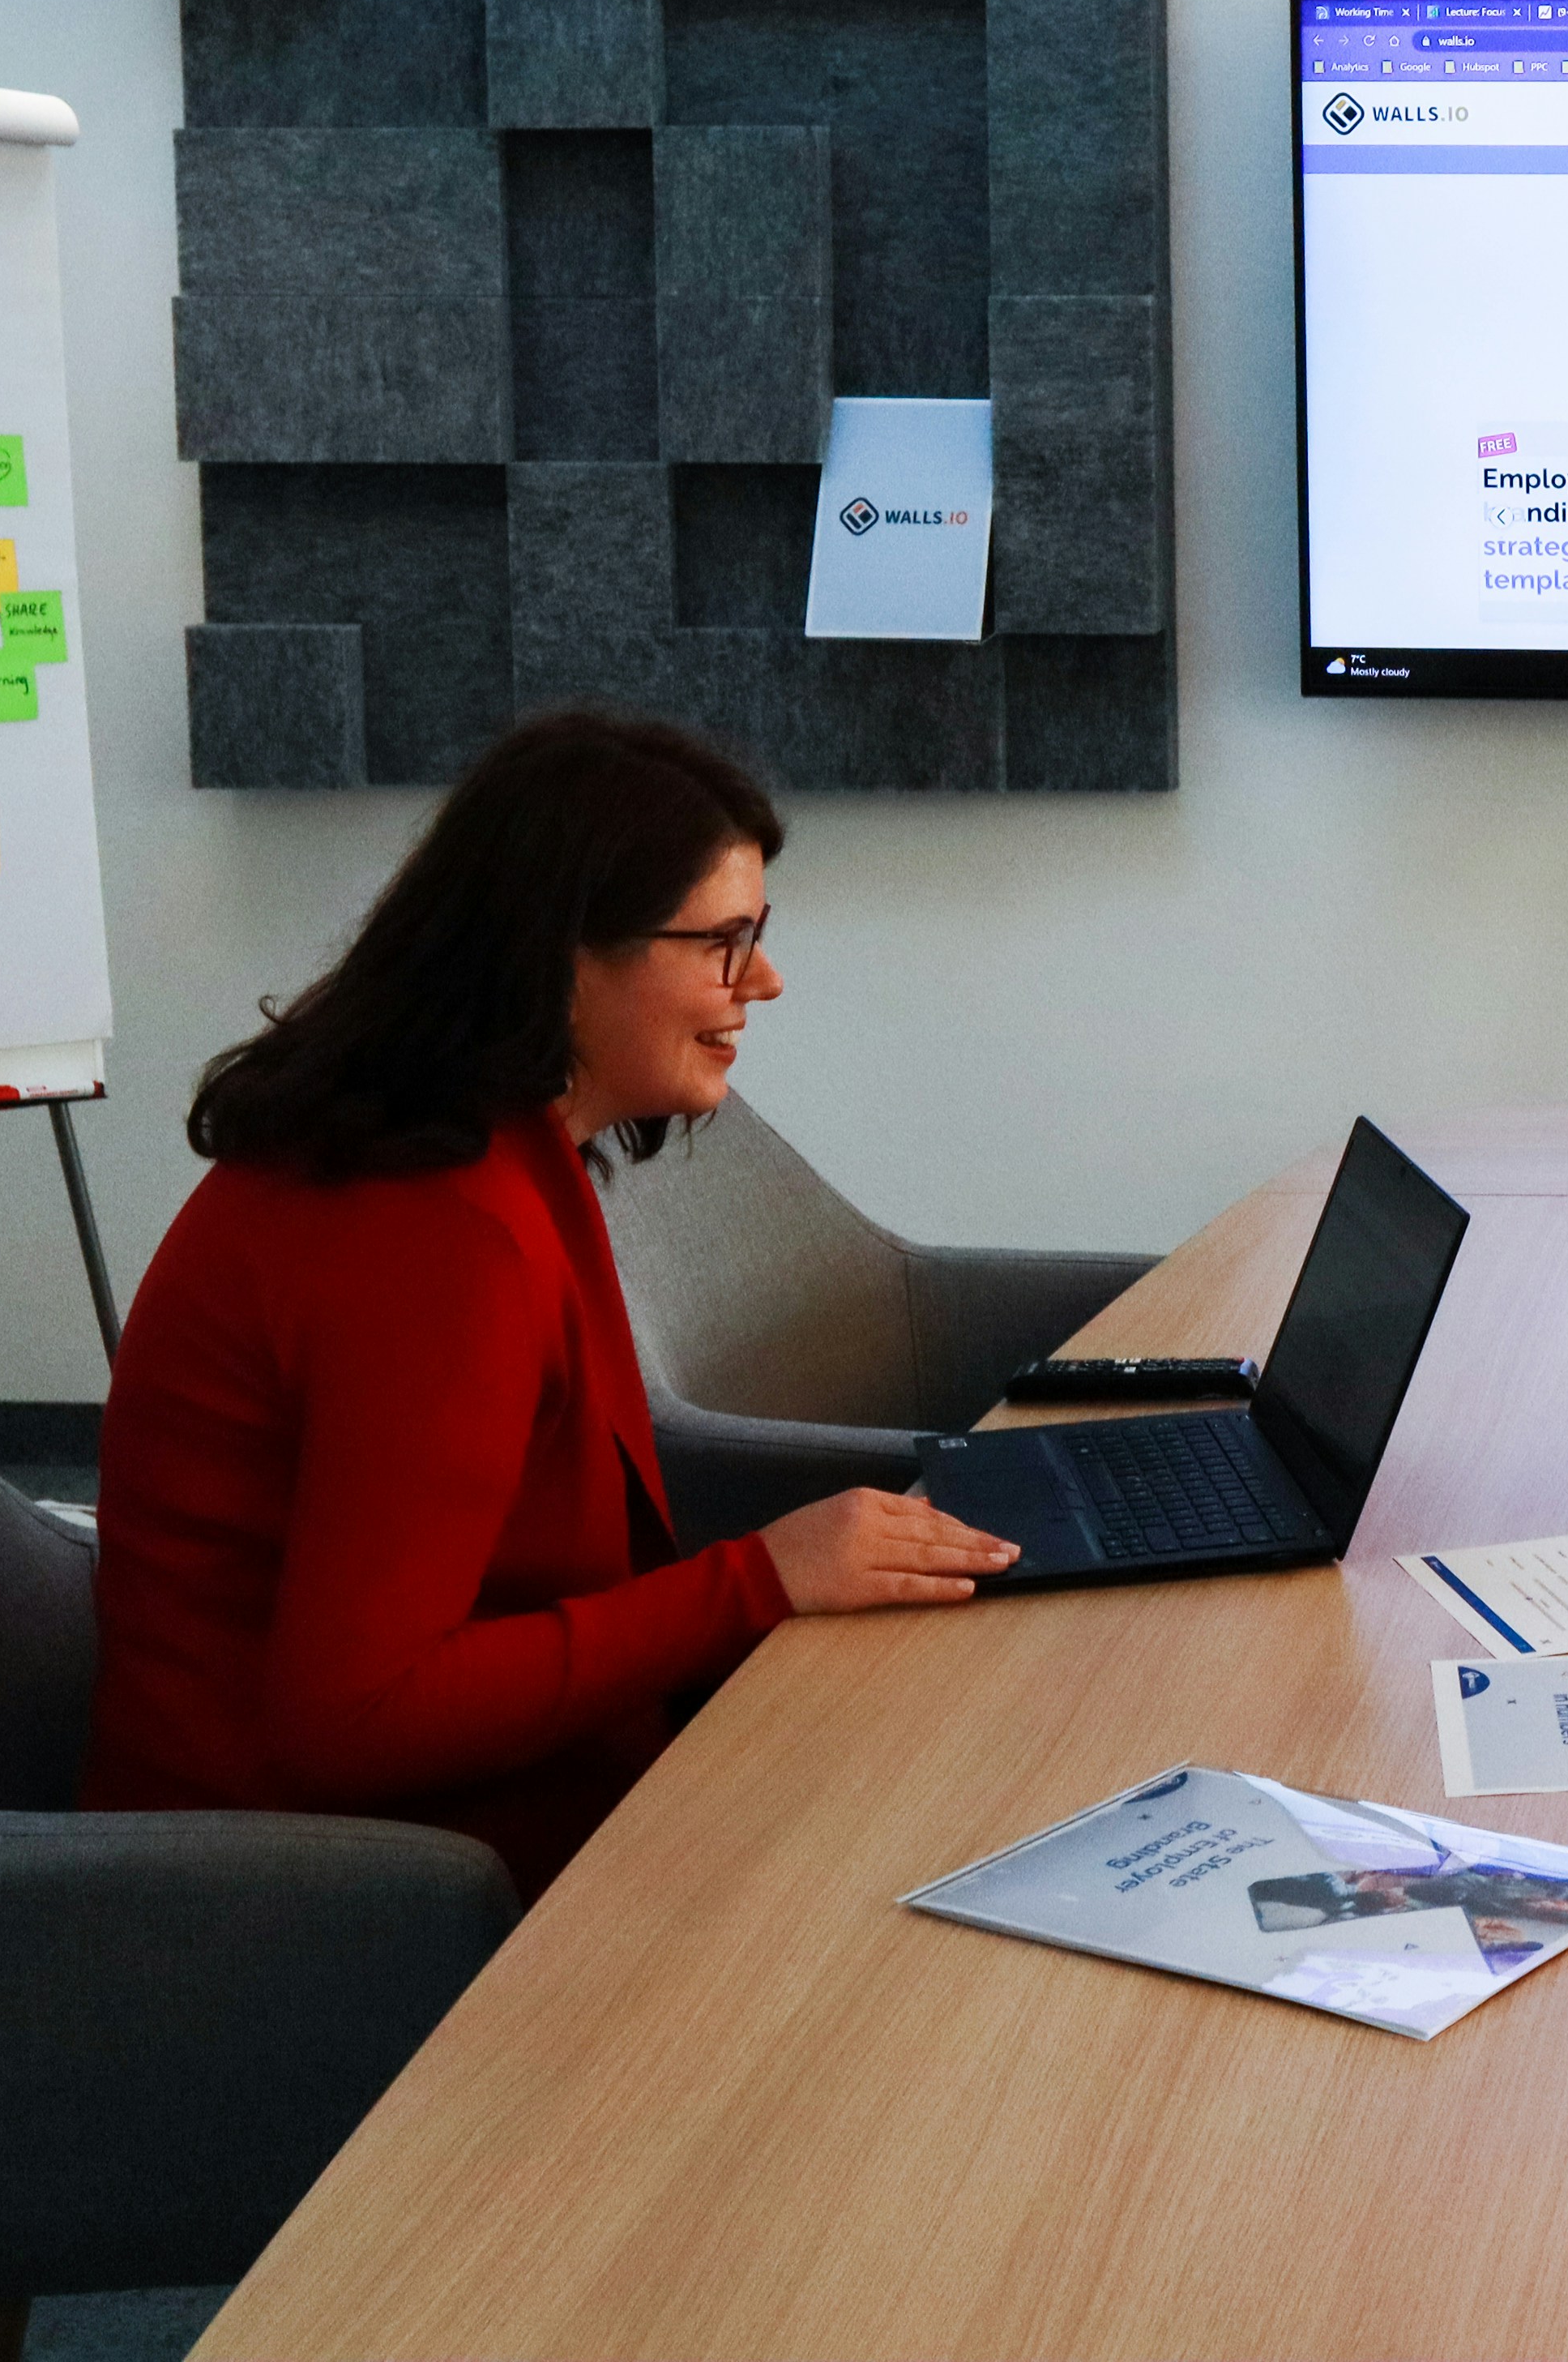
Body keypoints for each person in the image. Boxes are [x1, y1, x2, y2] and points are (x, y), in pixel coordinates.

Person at [85, 711, 1016, 1896]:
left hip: (387, 1833)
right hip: (310, 1899)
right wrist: (757, 1581)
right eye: (725, 942)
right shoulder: (437, 1235)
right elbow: (353, 1718)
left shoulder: (472, 1142)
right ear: (567, 956)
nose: (765, 982)